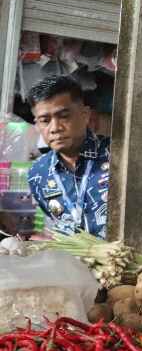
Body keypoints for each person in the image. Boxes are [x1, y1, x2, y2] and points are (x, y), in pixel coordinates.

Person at [27, 75, 111, 237]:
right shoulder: (38, 173)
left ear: (85, 115)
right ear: (37, 125)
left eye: (64, 116)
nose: (55, 128)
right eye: (45, 120)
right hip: (74, 254)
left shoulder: (118, 156)